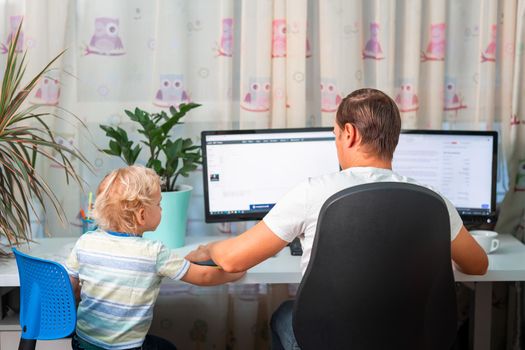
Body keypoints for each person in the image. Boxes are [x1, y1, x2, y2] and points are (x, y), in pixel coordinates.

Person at [185, 88, 489, 350]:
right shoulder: (432, 199)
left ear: (349, 133)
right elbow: (477, 264)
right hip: (415, 340)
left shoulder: (313, 192)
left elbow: (235, 260)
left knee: (284, 315)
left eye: (335, 135)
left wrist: (209, 249)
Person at [65, 165, 245, 350]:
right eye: (159, 204)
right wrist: (237, 270)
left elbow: (69, 289)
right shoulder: (153, 252)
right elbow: (204, 276)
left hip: (83, 344)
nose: (161, 208)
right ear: (142, 215)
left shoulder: (85, 241)